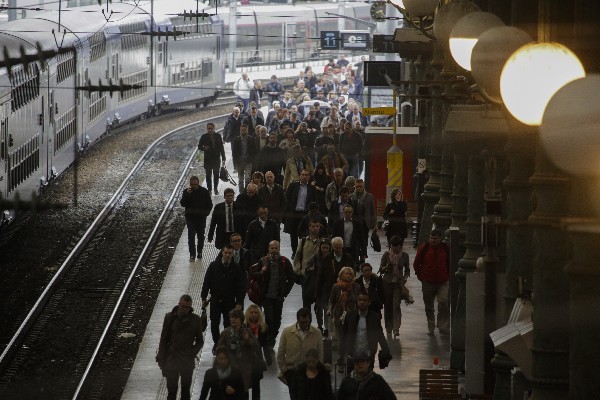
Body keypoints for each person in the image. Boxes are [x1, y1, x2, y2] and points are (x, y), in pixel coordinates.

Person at [157, 294, 204, 400]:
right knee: (172, 391)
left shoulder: (196, 320)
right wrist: (161, 359)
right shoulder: (169, 318)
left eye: (187, 307)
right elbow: (163, 340)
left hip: (187, 360)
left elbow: (200, 341)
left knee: (186, 391)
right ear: (179, 304)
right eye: (183, 306)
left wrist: (192, 352)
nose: (185, 309)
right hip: (172, 359)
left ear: (190, 307)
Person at [251, 240, 296, 347]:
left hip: (278, 296)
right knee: (269, 317)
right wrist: (261, 272)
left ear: (279, 249)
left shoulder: (284, 262)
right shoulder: (263, 261)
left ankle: (273, 335)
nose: (274, 250)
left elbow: (292, 277)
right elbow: (254, 275)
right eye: (272, 248)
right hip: (266, 296)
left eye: (276, 248)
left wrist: (285, 292)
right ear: (268, 249)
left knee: (277, 319)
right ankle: (269, 338)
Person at [201, 245, 246, 348]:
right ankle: (217, 343)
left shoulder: (236, 267)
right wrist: (204, 297)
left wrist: (239, 302)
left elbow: (240, 286)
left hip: (229, 300)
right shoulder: (213, 266)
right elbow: (206, 282)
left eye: (230, 253)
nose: (227, 255)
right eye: (226, 253)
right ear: (222, 252)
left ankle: (226, 343)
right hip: (215, 300)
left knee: (228, 323)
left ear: (232, 254)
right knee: (214, 323)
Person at [277, 308, 324, 400]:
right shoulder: (287, 332)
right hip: (292, 371)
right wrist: (284, 370)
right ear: (298, 320)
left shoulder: (317, 333)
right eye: (302, 322)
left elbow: (320, 353)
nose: (304, 324)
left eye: (307, 321)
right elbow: (281, 352)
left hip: (310, 371)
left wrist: (319, 369)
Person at [413, 228, 450, 335]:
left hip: (443, 281)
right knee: (429, 306)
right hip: (428, 282)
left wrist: (448, 276)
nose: (432, 240)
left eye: (435, 238)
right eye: (431, 238)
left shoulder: (445, 248)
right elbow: (416, 264)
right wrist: (421, 277)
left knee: (443, 303)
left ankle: (442, 326)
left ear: (440, 239)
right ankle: (431, 326)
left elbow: (449, 263)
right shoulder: (423, 248)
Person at [315, 237, 354, 337]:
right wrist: (318, 292)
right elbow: (320, 276)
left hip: (345, 291)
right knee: (328, 310)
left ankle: (342, 332)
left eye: (339, 247)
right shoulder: (327, 258)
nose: (337, 249)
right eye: (335, 247)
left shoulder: (348, 258)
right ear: (332, 247)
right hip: (328, 290)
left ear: (342, 246)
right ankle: (328, 332)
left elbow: (352, 273)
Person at [218, 309, 261, 398]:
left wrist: (248, 340)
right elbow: (219, 349)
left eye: (236, 318)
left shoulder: (247, 331)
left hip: (244, 368)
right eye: (231, 318)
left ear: (241, 319)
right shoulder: (226, 333)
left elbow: (257, 346)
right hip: (230, 368)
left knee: (243, 392)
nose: (233, 320)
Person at [379, 235, 412, 338]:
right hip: (387, 283)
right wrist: (386, 267)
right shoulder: (386, 255)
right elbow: (381, 269)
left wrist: (405, 278)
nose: (394, 249)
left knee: (396, 305)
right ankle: (388, 328)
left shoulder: (405, 256)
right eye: (392, 246)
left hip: (398, 284)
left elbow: (407, 270)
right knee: (388, 306)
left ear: (400, 246)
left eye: (396, 247)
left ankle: (396, 328)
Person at [327, 266, 360, 357]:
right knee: (341, 338)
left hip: (352, 316)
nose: (348, 275)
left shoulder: (356, 287)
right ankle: (341, 359)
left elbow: (359, 300)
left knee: (350, 337)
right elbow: (331, 301)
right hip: (339, 316)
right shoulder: (336, 287)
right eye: (346, 273)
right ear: (341, 275)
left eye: (350, 274)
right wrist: (330, 309)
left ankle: (351, 358)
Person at [284, 169, 316, 258]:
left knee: (305, 235)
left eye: (306, 175)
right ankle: (294, 252)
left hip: (305, 214)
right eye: (303, 175)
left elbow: (313, 202)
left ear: (309, 177)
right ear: (300, 176)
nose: (304, 177)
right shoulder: (293, 186)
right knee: (293, 234)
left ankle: (303, 252)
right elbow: (287, 199)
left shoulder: (312, 189)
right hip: (294, 213)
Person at [180, 175, 213, 261]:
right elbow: (183, 203)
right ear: (190, 184)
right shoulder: (186, 192)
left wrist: (205, 214)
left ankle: (199, 252)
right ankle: (192, 254)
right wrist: (187, 194)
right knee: (191, 237)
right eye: (192, 185)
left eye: (196, 184)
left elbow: (209, 204)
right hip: (190, 219)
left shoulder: (204, 192)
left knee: (201, 236)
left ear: (198, 183)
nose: (194, 186)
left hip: (201, 219)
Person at [305, 239, 332, 335]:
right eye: (323, 248)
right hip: (318, 287)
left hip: (328, 287)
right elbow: (307, 268)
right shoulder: (315, 257)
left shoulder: (331, 259)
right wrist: (314, 269)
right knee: (319, 308)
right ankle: (320, 326)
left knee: (326, 308)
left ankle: (327, 328)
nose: (325, 250)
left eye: (327, 248)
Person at [294, 219, 322, 309]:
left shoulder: (323, 243)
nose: (315, 228)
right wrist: (299, 271)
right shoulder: (303, 242)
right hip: (305, 276)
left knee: (320, 303)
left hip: (319, 276)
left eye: (317, 226)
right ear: (309, 227)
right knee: (306, 303)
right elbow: (297, 258)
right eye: (313, 226)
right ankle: (307, 322)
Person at [351, 178, 377, 261]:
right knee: (355, 241)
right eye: (357, 186)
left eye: (360, 186)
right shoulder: (351, 196)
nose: (359, 188)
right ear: (354, 186)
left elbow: (372, 210)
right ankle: (356, 259)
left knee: (364, 242)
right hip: (354, 223)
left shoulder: (369, 196)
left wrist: (374, 224)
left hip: (365, 223)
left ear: (363, 186)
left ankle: (363, 258)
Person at [198, 123, 226, 195]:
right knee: (208, 175)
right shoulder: (204, 137)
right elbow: (199, 146)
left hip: (216, 159)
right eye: (208, 128)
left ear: (214, 128)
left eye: (211, 128)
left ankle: (215, 188)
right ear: (207, 129)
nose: (210, 130)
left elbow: (221, 148)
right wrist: (204, 148)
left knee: (216, 174)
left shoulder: (218, 136)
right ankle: (209, 189)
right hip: (208, 159)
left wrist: (223, 157)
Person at [232, 124, 258, 190]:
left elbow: (254, 151)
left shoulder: (251, 139)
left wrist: (253, 161)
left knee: (247, 178)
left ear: (247, 130)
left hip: (248, 161)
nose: (243, 131)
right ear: (240, 131)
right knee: (240, 179)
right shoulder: (236, 140)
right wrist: (235, 164)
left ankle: (246, 191)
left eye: (245, 130)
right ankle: (241, 192)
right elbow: (234, 153)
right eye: (242, 130)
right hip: (239, 162)